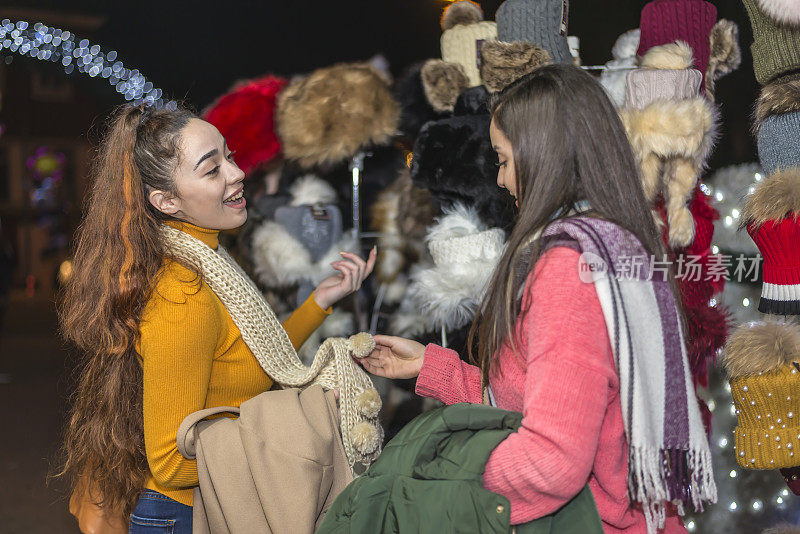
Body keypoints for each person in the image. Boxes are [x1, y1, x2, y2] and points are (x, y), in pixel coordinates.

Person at [357, 64, 715, 534]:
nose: (502, 180)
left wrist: (446, 487)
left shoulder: (569, 270)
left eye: (503, 160)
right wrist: (431, 367)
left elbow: (552, 459)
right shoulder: (616, 243)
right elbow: (538, 399)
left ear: (541, 156)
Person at [58, 104, 375, 533]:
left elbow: (246, 353)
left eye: (229, 156)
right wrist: (295, 433)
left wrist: (319, 300)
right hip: (181, 516)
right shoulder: (181, 293)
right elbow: (170, 462)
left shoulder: (208, 257)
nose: (237, 172)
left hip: (203, 506)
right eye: (212, 170)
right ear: (166, 201)